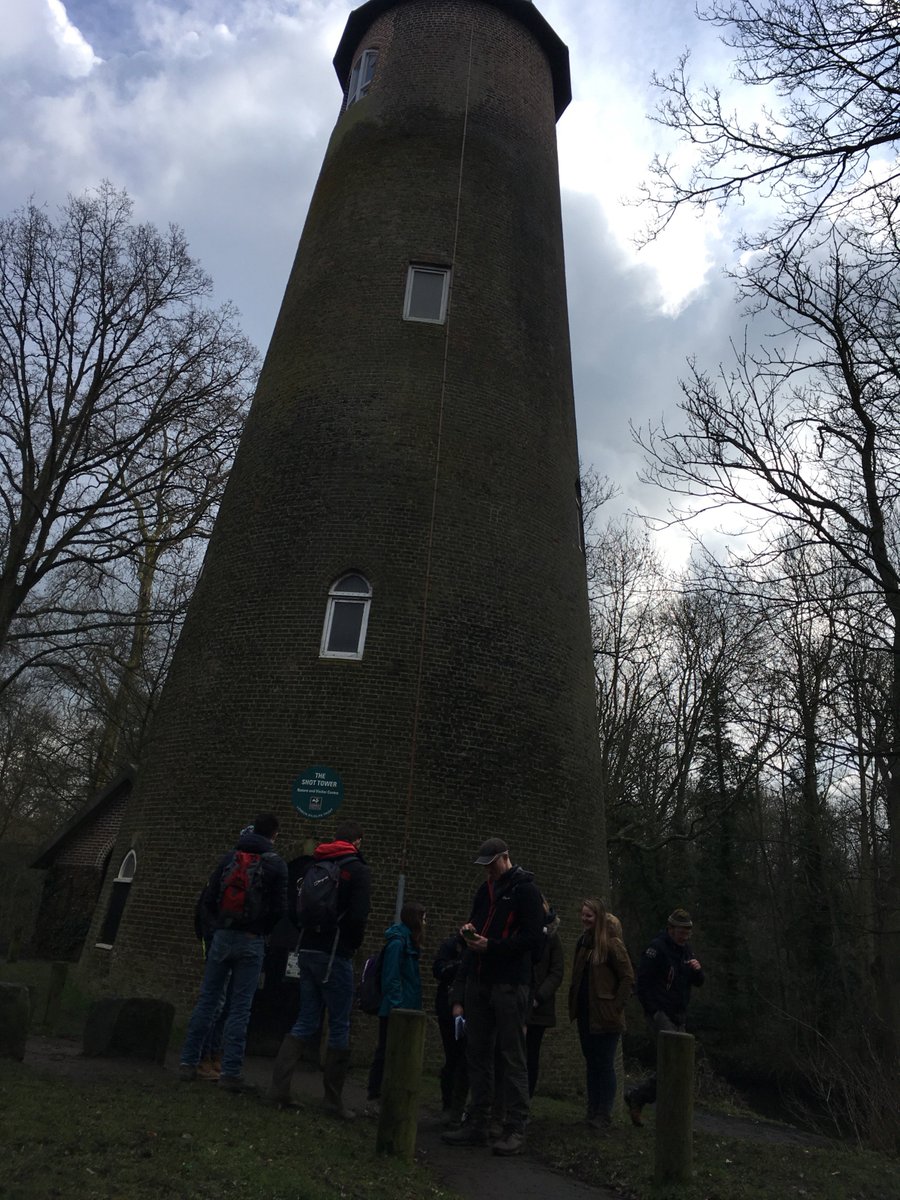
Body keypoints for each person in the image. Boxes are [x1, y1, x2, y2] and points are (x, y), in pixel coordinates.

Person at [442, 836, 544, 1157]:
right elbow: (479, 927)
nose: (488, 872)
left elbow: (533, 942)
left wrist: (493, 946)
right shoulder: (484, 892)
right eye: (484, 867)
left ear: (504, 858)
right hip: (480, 979)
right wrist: (469, 934)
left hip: (510, 984)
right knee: (477, 1052)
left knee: (512, 1055)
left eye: (491, 865)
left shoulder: (526, 891)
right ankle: (478, 1122)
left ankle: (515, 1126)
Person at [266, 821, 371, 1118]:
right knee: (339, 1023)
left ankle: (279, 1089)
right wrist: (349, 944)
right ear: (358, 841)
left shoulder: (316, 864)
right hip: (334, 954)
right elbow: (359, 915)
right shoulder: (357, 870)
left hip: (307, 949)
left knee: (306, 1018)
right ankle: (332, 1101)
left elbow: (295, 907)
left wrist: (307, 932)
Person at [178, 813, 287, 1091]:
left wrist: (218, 928)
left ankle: (188, 1063)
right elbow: (279, 909)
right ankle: (230, 1072)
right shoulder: (275, 864)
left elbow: (211, 896)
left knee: (207, 1001)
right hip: (251, 941)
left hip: (222, 937)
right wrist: (259, 930)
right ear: (274, 834)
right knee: (240, 1008)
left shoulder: (229, 859)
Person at [625, 907, 704, 1127]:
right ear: (671, 929)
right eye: (682, 931)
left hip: (679, 1014)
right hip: (661, 1013)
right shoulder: (656, 949)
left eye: (688, 931)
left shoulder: (686, 951)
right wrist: (653, 1010)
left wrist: (698, 971)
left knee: (677, 1065)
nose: (685, 935)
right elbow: (642, 983)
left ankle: (640, 1097)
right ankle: (660, 1110)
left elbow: (698, 982)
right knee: (674, 1062)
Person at [568, 897, 634, 1130]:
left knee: (604, 1064)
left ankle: (603, 1115)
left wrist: (615, 1006)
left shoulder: (612, 944)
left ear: (599, 917)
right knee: (592, 1063)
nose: (585, 919)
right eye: (583, 914)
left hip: (606, 1017)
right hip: (587, 1014)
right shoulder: (583, 943)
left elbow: (628, 977)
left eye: (590, 915)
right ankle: (591, 1112)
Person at [366, 901, 425, 1102]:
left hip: (406, 1007)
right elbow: (391, 978)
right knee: (385, 1050)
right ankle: (376, 1093)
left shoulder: (406, 942)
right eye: (423, 918)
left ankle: (389, 1090)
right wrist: (397, 1006)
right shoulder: (398, 943)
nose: (425, 923)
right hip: (396, 1009)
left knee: (397, 1052)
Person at [526, 896, 564, 1098]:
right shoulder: (522, 930)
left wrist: (538, 997)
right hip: (517, 1001)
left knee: (530, 1056)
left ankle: (524, 1102)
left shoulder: (552, 938)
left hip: (538, 1008)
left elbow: (557, 971)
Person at [433, 930, 469, 1126]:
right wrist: (460, 965)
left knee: (466, 1059)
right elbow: (438, 970)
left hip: (468, 1008)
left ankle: (459, 1107)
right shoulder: (450, 946)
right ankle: (449, 1106)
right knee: (453, 1058)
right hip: (449, 1009)